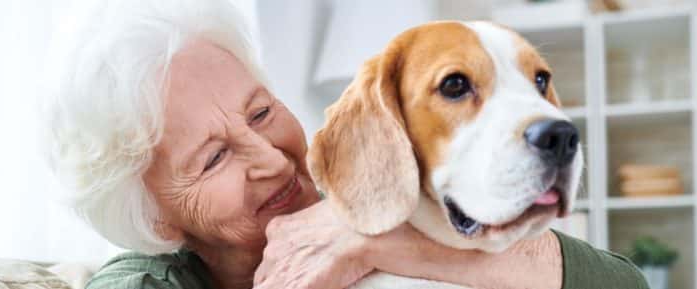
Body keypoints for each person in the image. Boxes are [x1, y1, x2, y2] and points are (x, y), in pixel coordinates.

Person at [44, 1, 649, 289]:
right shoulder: (145, 283)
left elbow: (623, 285)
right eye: (214, 157)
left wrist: (371, 236)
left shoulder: (376, 188)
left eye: (261, 112)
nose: (271, 158)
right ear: (157, 217)